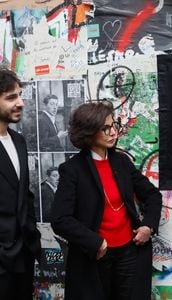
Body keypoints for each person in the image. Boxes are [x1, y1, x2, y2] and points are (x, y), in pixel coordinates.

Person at [51, 101, 162, 300]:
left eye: (114, 125)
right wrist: (96, 242)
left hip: (129, 252)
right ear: (89, 133)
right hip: (95, 256)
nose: (113, 132)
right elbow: (60, 219)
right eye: (105, 128)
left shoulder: (122, 162)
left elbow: (153, 195)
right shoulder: (73, 170)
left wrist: (149, 226)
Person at [0, 67, 41, 299]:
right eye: (11, 97)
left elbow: (24, 195)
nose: (21, 103)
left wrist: (31, 236)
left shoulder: (18, 141)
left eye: (20, 95)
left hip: (24, 255)